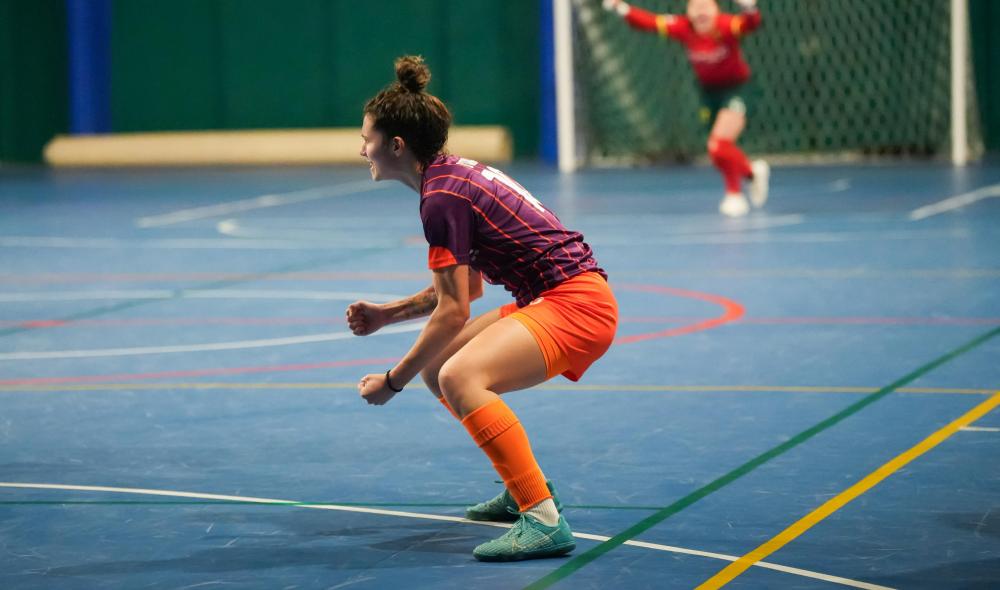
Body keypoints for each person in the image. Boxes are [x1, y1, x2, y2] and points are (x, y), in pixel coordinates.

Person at [346, 55, 618, 562]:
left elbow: (454, 312)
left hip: (576, 306)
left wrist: (392, 381)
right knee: (438, 368)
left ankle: (542, 518)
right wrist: (387, 314)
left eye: (367, 139)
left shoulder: (441, 199)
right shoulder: (449, 178)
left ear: (397, 145)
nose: (363, 149)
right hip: (560, 298)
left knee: (459, 376)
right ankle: (521, 487)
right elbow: (465, 290)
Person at [604, 0, 770, 217]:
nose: (701, 12)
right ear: (688, 12)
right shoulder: (683, 28)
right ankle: (752, 173)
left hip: (738, 89)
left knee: (718, 144)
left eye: (706, 6)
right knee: (718, 151)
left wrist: (750, 8)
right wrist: (619, 6)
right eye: (695, 7)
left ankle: (734, 194)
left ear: (716, 9)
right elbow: (649, 22)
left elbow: (751, 24)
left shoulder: (727, 26)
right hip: (708, 93)